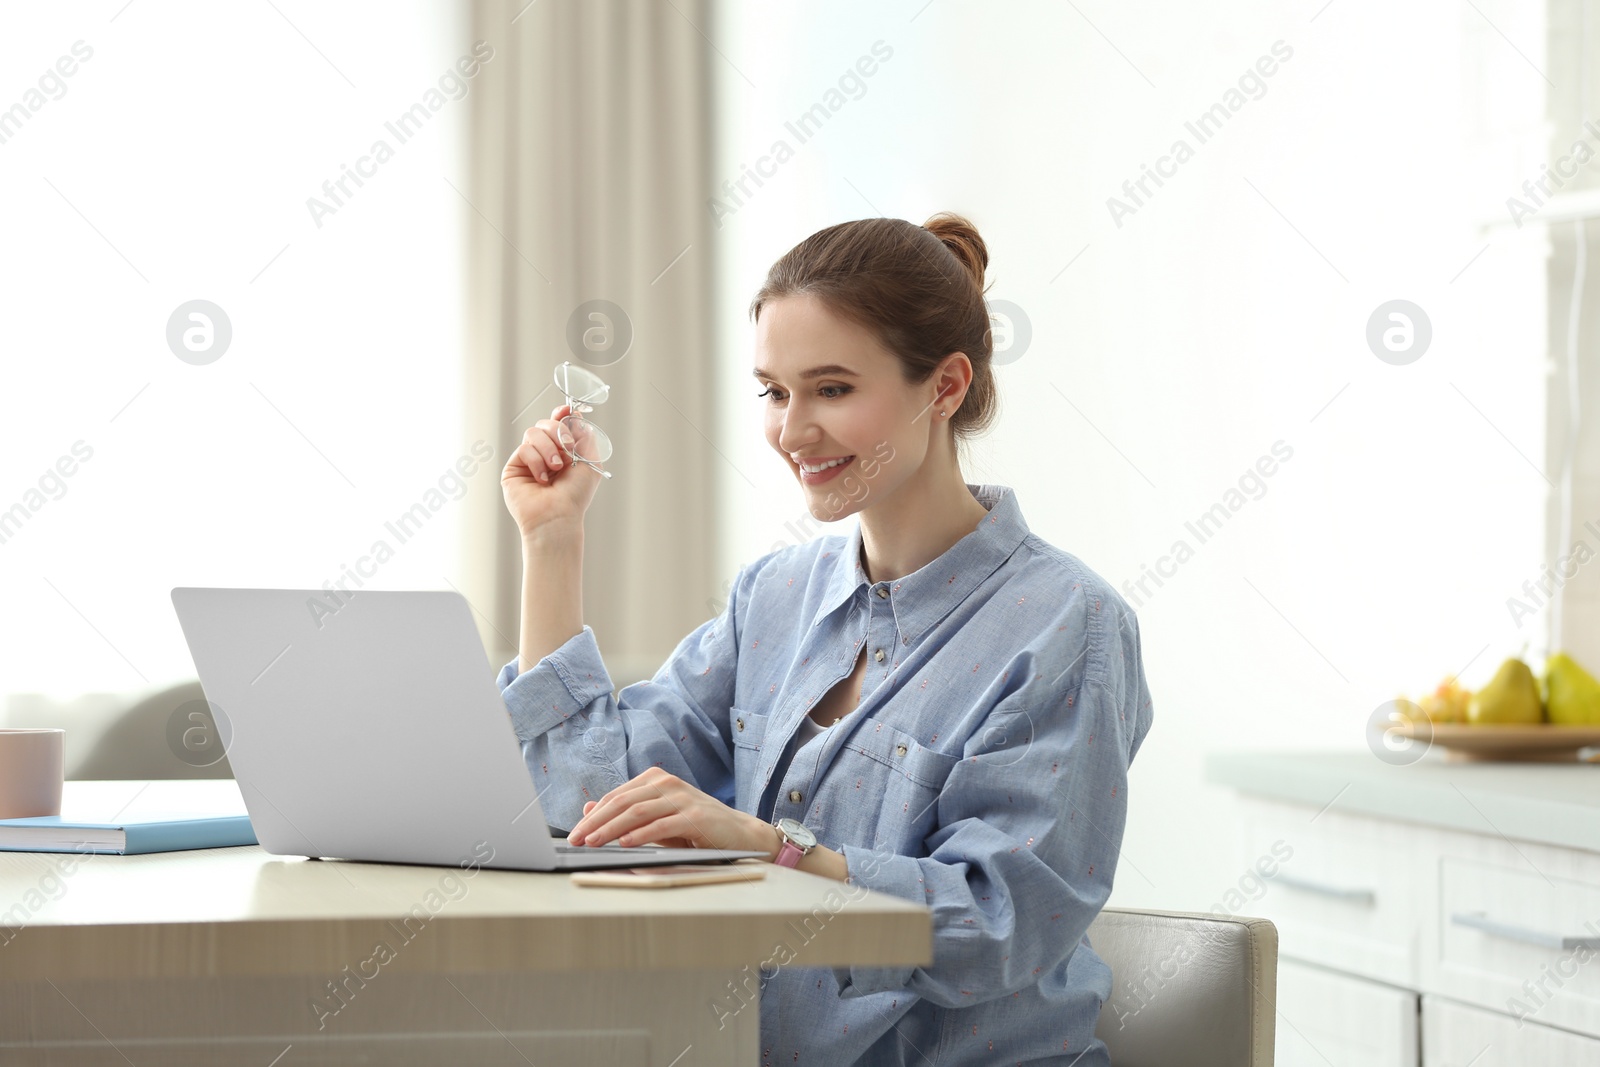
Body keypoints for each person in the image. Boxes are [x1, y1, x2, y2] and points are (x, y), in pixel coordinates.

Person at [496, 211, 1154, 1066]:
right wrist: (552, 541)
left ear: (944, 386)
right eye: (774, 391)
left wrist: (774, 850)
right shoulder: (771, 597)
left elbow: (1000, 925)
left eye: (833, 389)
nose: (792, 432)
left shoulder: (1071, 626)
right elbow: (583, 807)